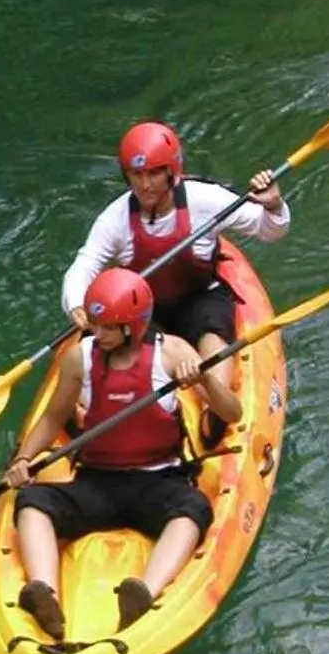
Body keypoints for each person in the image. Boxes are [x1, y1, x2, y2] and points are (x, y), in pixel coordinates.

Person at [2, 266, 208, 638]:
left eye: (108, 327)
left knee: (194, 508)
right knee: (32, 501)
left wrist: (204, 376)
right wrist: (22, 459)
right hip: (96, 483)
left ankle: (146, 591)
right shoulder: (80, 357)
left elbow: (232, 412)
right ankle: (44, 594)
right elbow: (53, 417)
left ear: (134, 325)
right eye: (96, 325)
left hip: (158, 480)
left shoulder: (172, 353)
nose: (98, 334)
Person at [62, 121, 287, 448]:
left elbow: (270, 230)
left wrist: (273, 205)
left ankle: (215, 407)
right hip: (141, 307)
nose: (145, 185)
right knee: (105, 340)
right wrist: (76, 304)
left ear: (172, 172)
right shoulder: (115, 218)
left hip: (199, 297)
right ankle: (84, 412)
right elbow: (85, 264)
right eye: (136, 175)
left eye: (154, 173)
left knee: (212, 331)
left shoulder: (205, 200)